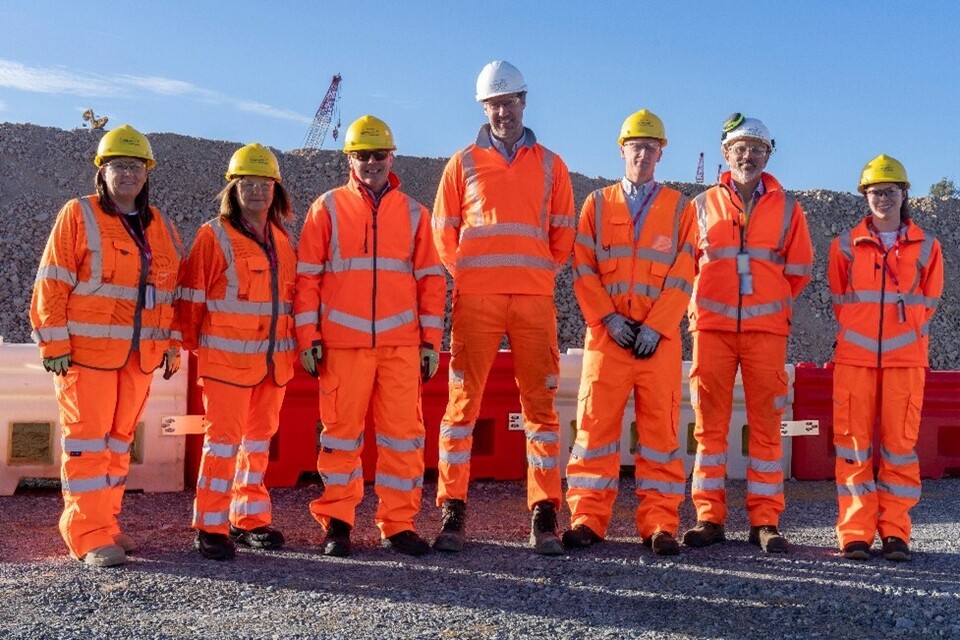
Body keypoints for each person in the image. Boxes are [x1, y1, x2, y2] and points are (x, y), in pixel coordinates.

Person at [431, 60, 576, 556]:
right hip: (477, 300)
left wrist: (537, 272)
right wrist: (472, 277)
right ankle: (452, 510)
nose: (502, 112)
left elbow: (563, 232)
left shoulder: (552, 165)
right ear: (483, 108)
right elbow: (443, 232)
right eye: (493, 104)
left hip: (533, 300)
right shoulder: (462, 164)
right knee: (461, 407)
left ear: (524, 102)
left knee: (540, 410)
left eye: (509, 102)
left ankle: (544, 512)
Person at [29, 124, 184, 567]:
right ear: (102, 171)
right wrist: (53, 343)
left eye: (135, 166)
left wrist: (172, 341)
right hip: (85, 356)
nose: (128, 174)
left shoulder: (160, 226)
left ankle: (106, 523)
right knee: (87, 445)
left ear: (147, 172)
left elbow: (171, 291)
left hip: (138, 357)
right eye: (119, 165)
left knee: (118, 445)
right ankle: (85, 533)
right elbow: (51, 281)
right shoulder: (78, 214)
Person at [295, 115, 446, 557]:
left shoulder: (415, 214)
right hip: (342, 347)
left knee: (403, 439)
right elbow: (307, 278)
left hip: (401, 347)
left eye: (379, 154)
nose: (371, 162)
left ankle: (398, 524)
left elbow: (431, 282)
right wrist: (308, 336)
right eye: (362, 154)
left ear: (392, 157)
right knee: (341, 438)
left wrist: (430, 342)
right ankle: (338, 522)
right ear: (349, 159)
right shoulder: (326, 208)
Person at [562, 110, 696, 556]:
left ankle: (659, 524)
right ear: (622, 150)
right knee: (594, 430)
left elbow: (684, 271)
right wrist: (609, 319)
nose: (643, 154)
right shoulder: (597, 204)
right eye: (636, 146)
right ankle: (587, 519)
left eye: (650, 147)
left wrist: (656, 326)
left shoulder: (679, 208)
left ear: (661, 153)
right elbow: (583, 268)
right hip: (609, 338)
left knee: (661, 436)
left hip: (657, 342)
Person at [684, 114, 813, 553]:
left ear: (768, 155)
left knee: (766, 428)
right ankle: (708, 518)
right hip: (712, 330)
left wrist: (766, 303)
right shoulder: (701, 205)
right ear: (726, 153)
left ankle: (765, 521)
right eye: (740, 148)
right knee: (709, 428)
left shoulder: (790, 209)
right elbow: (685, 267)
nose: (748, 156)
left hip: (765, 333)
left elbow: (798, 271)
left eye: (757, 148)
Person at [178, 143, 298, 560]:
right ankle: (210, 526)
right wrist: (190, 346)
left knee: (258, 443)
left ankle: (248, 519)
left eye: (265, 184)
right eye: (248, 183)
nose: (257, 191)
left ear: (276, 189)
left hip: (272, 364)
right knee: (223, 444)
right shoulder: (213, 236)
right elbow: (191, 297)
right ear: (233, 188)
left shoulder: (281, 240)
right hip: (226, 364)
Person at [828, 155, 943, 562]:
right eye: (875, 192)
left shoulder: (928, 247)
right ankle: (855, 533)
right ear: (865, 196)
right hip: (855, 361)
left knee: (899, 449)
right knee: (853, 447)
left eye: (890, 191)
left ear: (904, 194)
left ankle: (896, 532)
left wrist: (900, 337)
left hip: (906, 363)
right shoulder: (844, 245)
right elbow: (841, 300)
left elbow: (929, 303)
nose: (882, 199)